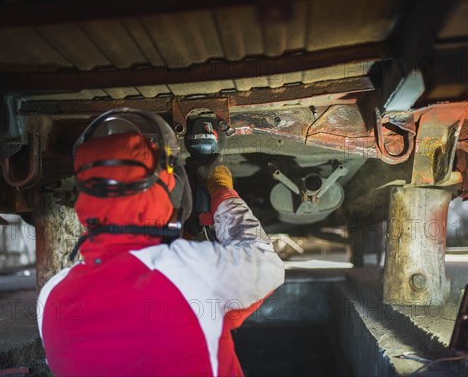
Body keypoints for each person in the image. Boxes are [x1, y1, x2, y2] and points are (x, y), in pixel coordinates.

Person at [36, 108, 285, 376]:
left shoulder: (52, 297)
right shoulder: (189, 268)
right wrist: (221, 190)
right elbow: (269, 266)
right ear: (172, 192)